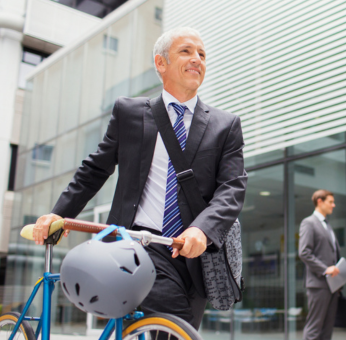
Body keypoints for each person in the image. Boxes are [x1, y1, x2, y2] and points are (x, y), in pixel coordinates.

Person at [32, 27, 247, 329]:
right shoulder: (130, 113)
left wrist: (203, 230)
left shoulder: (226, 125)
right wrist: (59, 213)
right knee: (174, 329)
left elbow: (232, 187)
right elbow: (95, 170)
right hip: (139, 245)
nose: (197, 58)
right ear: (161, 63)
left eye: (202, 54)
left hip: (195, 254)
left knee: (181, 330)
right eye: (186, 51)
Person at [298, 189, 341, 340]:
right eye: (330, 202)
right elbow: (304, 252)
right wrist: (325, 269)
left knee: (327, 330)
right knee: (314, 328)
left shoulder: (327, 225)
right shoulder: (309, 223)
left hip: (332, 285)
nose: (333, 205)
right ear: (319, 201)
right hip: (318, 284)